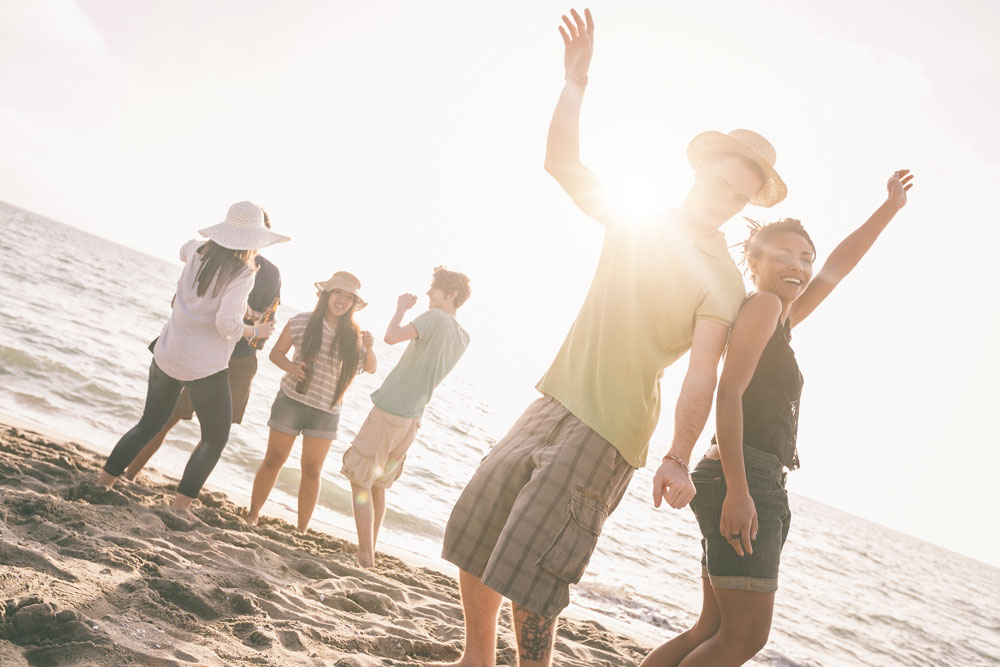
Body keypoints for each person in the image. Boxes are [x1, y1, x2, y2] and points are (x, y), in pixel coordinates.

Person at [429, 9, 787, 667]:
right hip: (555, 395)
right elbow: (560, 162)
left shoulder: (723, 281)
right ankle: (477, 658)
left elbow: (702, 372)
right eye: (720, 184)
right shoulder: (635, 214)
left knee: (536, 559)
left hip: (612, 426)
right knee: (479, 524)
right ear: (700, 172)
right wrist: (575, 81)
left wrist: (678, 453)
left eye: (740, 197)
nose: (725, 199)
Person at [640, 170, 914, 667]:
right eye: (784, 255)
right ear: (755, 262)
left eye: (804, 257)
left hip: (743, 472)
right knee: (743, 637)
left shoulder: (778, 316)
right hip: (744, 474)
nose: (799, 265)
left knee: (713, 627)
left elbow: (837, 268)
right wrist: (741, 492)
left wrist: (889, 209)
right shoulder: (764, 306)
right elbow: (729, 394)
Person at [96, 201, 289, 510]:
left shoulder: (197, 251)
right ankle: (180, 507)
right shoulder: (243, 273)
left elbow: (184, 249)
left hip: (168, 352)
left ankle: (104, 482)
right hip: (204, 366)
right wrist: (256, 332)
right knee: (215, 438)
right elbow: (226, 326)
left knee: (148, 424)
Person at [342, 266, 471, 568]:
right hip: (412, 417)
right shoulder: (462, 336)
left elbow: (390, 337)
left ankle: (365, 556)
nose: (428, 293)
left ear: (450, 295)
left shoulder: (435, 317)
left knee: (360, 479)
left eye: (434, 289)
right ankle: (368, 551)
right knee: (378, 484)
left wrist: (400, 308)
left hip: (391, 409)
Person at [246, 271, 377, 532]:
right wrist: (294, 369)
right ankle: (253, 514)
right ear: (326, 294)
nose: (342, 300)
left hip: (326, 411)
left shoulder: (355, 336)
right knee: (274, 459)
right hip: (291, 401)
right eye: (337, 293)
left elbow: (371, 368)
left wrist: (370, 347)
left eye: (349, 297)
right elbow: (276, 354)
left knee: (312, 470)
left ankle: (302, 529)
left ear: (353, 304)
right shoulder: (302, 322)